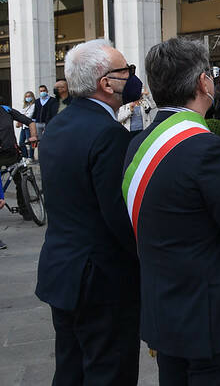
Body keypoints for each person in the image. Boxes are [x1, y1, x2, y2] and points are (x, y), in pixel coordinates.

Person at [125, 38, 220, 385]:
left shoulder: (136, 144)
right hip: (214, 319)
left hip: (165, 314)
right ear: (203, 83)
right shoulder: (212, 151)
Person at [36, 39, 142, 385]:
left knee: (70, 368)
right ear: (106, 83)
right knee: (108, 370)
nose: (132, 77)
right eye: (126, 70)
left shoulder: (57, 127)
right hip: (101, 281)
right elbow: (117, 215)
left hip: (62, 271)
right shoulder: (108, 134)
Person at [0, 96, 39, 226]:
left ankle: (24, 209)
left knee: (20, 179)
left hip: (12, 153)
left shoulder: (7, 110)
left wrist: (33, 136)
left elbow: (30, 122)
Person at [17, 91, 36, 163]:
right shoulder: (25, 106)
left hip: (30, 127)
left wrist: (23, 116)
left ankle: (31, 157)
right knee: (21, 142)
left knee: (31, 142)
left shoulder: (34, 105)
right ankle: (24, 156)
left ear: (32, 97)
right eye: (26, 96)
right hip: (24, 126)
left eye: (29, 96)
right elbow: (20, 116)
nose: (28, 98)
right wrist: (23, 116)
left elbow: (29, 115)